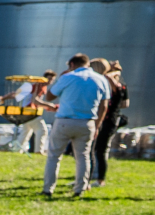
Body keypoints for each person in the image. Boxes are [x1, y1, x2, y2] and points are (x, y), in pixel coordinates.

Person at [40, 54, 107, 199]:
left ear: (71, 64)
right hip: (87, 121)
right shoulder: (101, 79)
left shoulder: (68, 77)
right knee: (83, 156)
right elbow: (104, 105)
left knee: (54, 156)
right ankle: (80, 189)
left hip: (65, 120)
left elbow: (49, 97)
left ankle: (48, 189)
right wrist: (97, 125)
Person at [87, 60, 129, 188]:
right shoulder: (123, 87)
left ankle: (99, 179)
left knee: (98, 151)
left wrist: (111, 69)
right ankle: (89, 177)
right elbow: (125, 104)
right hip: (110, 120)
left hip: (107, 121)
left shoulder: (115, 86)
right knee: (96, 151)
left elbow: (106, 77)